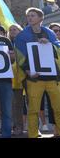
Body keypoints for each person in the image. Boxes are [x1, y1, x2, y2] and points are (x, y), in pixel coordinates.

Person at [14, 8, 60, 138]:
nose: (29, 18)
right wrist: (27, 71)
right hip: (34, 79)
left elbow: (58, 48)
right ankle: (33, 135)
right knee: (33, 110)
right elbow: (19, 56)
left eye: (33, 15)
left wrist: (49, 44)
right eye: (28, 16)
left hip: (52, 78)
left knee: (58, 108)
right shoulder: (22, 35)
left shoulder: (50, 33)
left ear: (41, 18)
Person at [8, 24, 25, 136]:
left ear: (20, 31)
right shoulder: (7, 44)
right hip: (14, 80)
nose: (13, 31)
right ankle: (18, 127)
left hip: (28, 77)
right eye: (10, 30)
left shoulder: (25, 42)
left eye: (15, 29)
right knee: (16, 105)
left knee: (31, 104)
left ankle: (34, 127)